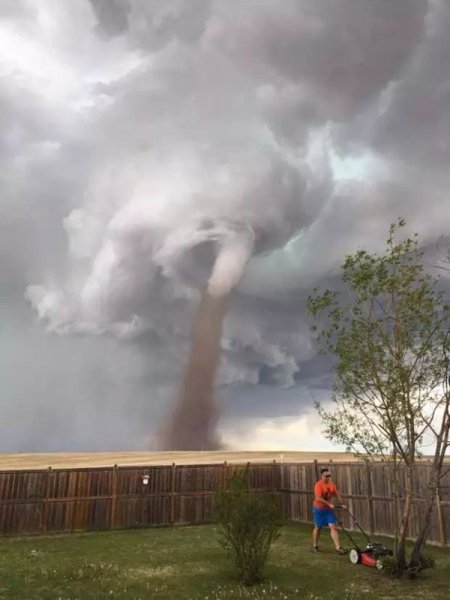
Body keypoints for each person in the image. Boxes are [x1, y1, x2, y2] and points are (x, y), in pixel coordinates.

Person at [312, 467, 347, 554]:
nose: (328, 477)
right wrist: (329, 503)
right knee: (318, 527)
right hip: (319, 509)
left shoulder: (331, 485)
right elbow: (318, 498)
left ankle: (338, 548)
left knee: (333, 527)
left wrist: (342, 503)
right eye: (326, 476)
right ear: (322, 476)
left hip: (328, 510)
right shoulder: (318, 485)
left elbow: (337, 494)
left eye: (329, 476)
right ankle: (315, 545)